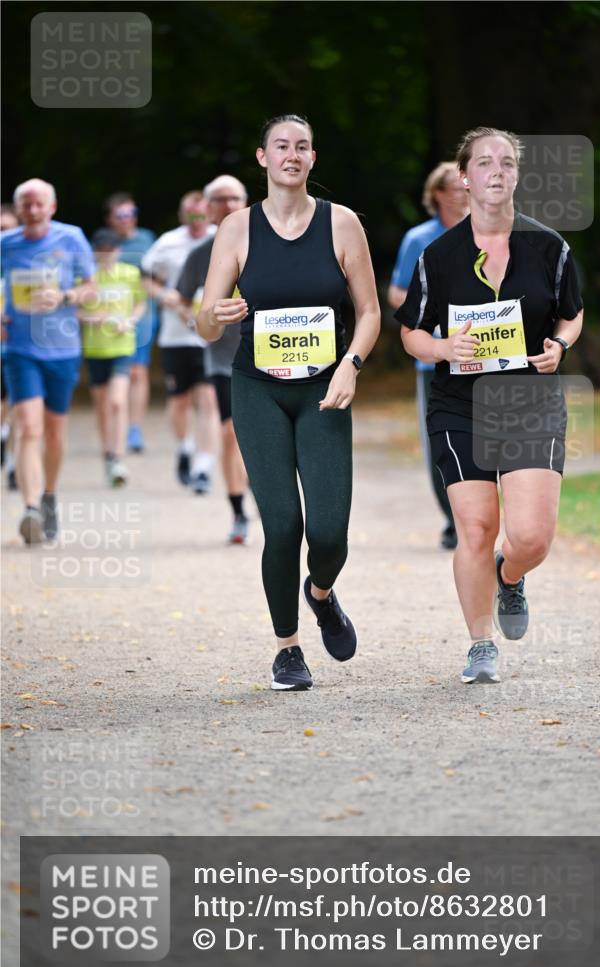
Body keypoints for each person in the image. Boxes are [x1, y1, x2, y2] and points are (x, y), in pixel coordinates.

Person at [198, 114, 380, 692]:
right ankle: (287, 649)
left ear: (312, 158)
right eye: (281, 146)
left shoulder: (341, 223)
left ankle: (320, 593)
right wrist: (215, 314)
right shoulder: (237, 228)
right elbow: (204, 322)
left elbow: (370, 312)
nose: (292, 155)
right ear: (263, 157)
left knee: (328, 533)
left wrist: (351, 365)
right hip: (258, 388)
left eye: (302, 146)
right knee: (282, 526)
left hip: (325, 389)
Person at [397, 127, 583, 684]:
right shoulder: (438, 255)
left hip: (531, 401)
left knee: (531, 538)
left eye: (506, 162)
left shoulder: (549, 247)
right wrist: (442, 348)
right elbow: (410, 332)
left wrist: (560, 346)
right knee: (476, 528)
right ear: (464, 177)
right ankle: (481, 644)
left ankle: (510, 574)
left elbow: (571, 314)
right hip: (461, 404)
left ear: (517, 175)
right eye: (484, 162)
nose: (496, 171)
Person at [1, 178, 95, 544]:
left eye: (39, 203)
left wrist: (64, 296)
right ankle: (30, 509)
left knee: (54, 432)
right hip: (20, 350)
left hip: (62, 349)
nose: (33, 209)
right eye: (26, 203)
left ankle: (48, 496)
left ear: (52, 207)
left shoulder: (71, 238)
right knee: (29, 427)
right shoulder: (6, 243)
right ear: (18, 208)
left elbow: (92, 289)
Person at [388, 163, 469, 550]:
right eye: (455, 187)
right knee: (440, 443)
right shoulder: (418, 238)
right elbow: (396, 292)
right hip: (433, 359)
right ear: (437, 194)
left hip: (485, 355)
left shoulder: (486, 233)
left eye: (466, 186)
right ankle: (454, 519)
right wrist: (428, 322)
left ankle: (478, 517)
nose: (463, 193)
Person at [176, 174, 250, 542]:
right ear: (207, 208)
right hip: (223, 358)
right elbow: (181, 299)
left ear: (245, 202)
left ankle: (263, 489)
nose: (228, 205)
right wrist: (198, 322)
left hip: (270, 355)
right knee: (230, 434)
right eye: (219, 199)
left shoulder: (269, 244)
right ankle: (238, 513)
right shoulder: (199, 255)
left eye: (234, 198)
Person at [141, 192, 219, 494]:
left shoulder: (221, 237)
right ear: (182, 215)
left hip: (210, 335)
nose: (197, 221)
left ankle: (203, 467)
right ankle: (184, 447)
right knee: (179, 401)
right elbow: (145, 277)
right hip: (175, 336)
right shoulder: (168, 242)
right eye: (191, 215)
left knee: (208, 400)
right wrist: (165, 296)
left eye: (202, 214)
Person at [80, 228, 147, 486]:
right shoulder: (86, 277)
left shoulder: (130, 274)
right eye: (102, 251)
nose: (106, 256)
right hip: (95, 348)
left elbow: (141, 303)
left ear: (118, 251)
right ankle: (107, 453)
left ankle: (118, 457)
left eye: (111, 251)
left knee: (118, 401)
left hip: (122, 346)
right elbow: (74, 309)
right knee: (102, 405)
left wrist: (130, 320)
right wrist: (91, 318)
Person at [98, 192, 157, 453]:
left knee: (137, 371)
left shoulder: (147, 239)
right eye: (120, 215)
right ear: (110, 219)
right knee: (111, 377)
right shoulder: (102, 242)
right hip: (107, 319)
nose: (126, 219)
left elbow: (159, 274)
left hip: (142, 315)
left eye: (131, 213)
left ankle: (135, 428)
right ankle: (112, 429)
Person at [1, 204, 20, 485]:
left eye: (6, 229)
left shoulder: (28, 262)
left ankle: (15, 465)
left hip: (20, 347)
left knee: (21, 405)